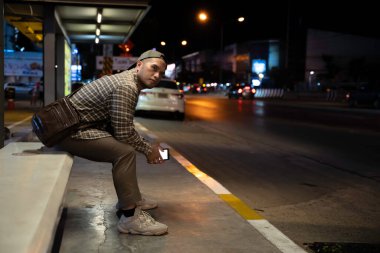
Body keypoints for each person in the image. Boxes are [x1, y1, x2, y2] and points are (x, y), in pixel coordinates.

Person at [56, 50, 169, 235]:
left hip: (71, 127)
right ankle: (130, 217)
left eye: (161, 73)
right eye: (153, 68)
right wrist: (149, 150)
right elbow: (124, 134)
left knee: (126, 147)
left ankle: (132, 198)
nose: (157, 76)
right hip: (67, 132)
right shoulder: (127, 86)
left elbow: (120, 127)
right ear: (139, 65)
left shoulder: (127, 80)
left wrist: (146, 146)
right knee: (124, 152)